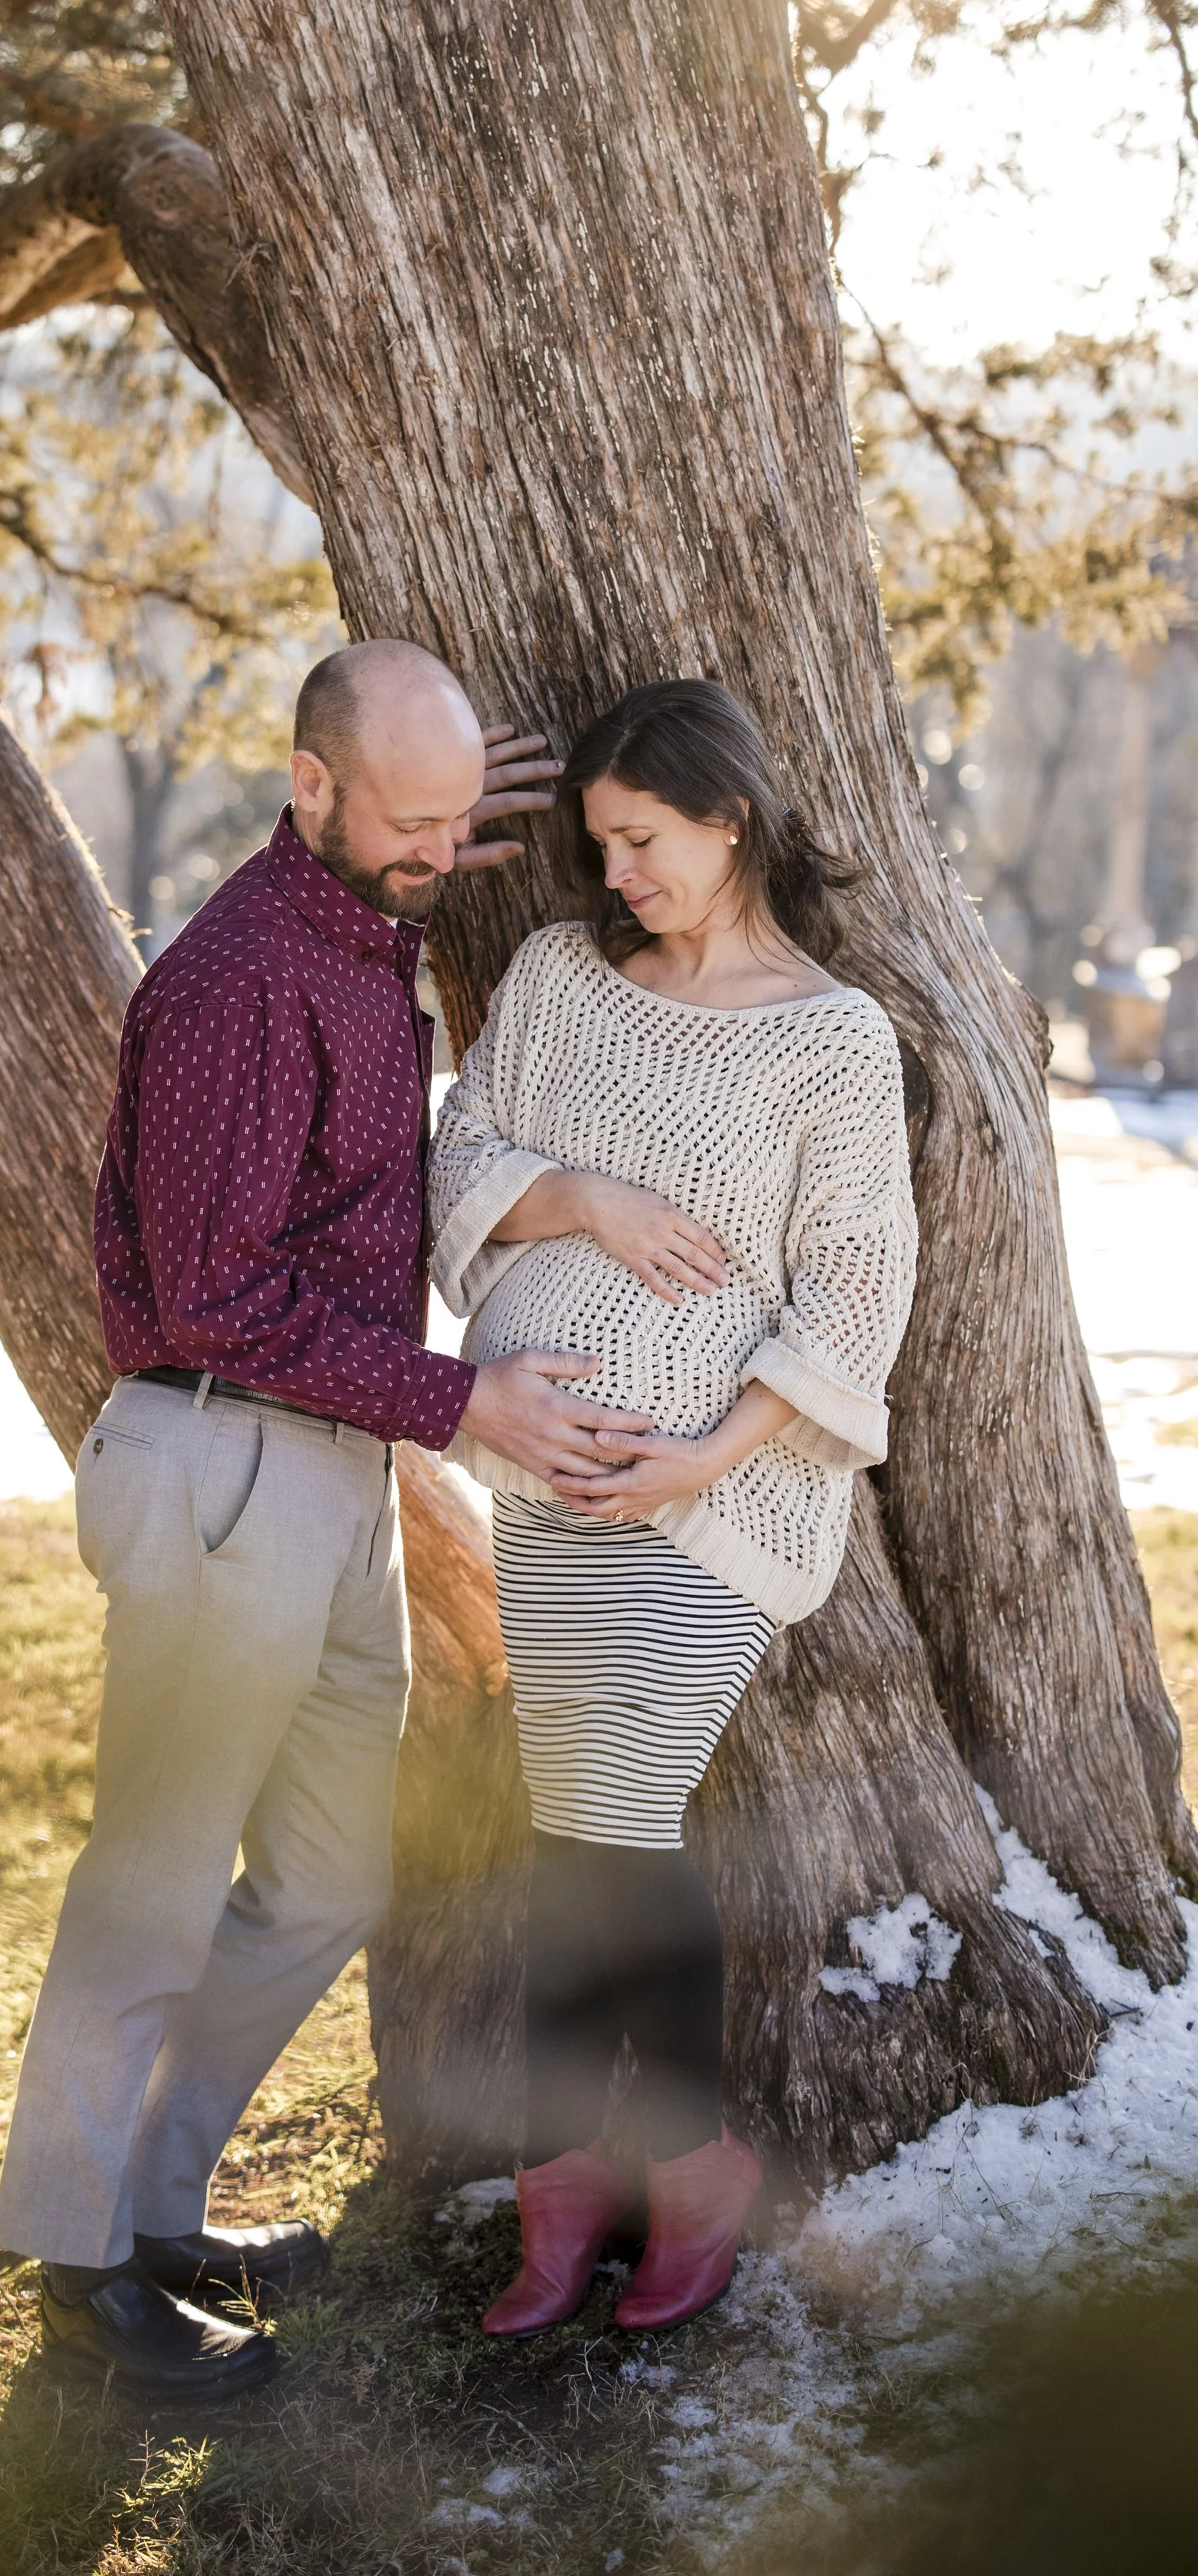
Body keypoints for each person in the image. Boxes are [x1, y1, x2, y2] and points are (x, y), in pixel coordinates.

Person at [0, 637, 657, 2404]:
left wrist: (442, 806)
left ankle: (150, 2206)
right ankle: (78, 2273)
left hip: (328, 1474)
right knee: (147, 1884)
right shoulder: (233, 984)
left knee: (326, 1880)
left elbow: (419, 847)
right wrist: (464, 1405)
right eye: (410, 819)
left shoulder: (366, 918)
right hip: (220, 1457)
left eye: (462, 818)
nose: (444, 850)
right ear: (307, 788)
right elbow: (208, 1293)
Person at [428, 675, 917, 2337]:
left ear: (728, 819)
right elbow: (461, 1150)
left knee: (607, 1829)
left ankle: (625, 2166)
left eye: (639, 840)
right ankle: (604, 2169)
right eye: (596, 845)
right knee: (582, 1833)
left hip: (708, 1509)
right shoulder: (563, 982)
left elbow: (857, 1284)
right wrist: (586, 1195)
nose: (614, 872)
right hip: (544, 1484)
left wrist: (707, 1452)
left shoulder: (829, 1039)